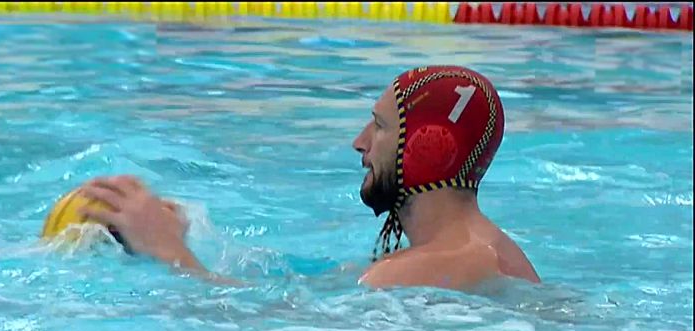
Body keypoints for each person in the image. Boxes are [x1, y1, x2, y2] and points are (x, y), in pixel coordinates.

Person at [79, 65, 540, 292]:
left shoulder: (431, 266)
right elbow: (297, 296)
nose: (359, 142)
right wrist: (190, 241)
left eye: (379, 127)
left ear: (428, 150)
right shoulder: (465, 253)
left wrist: (170, 255)